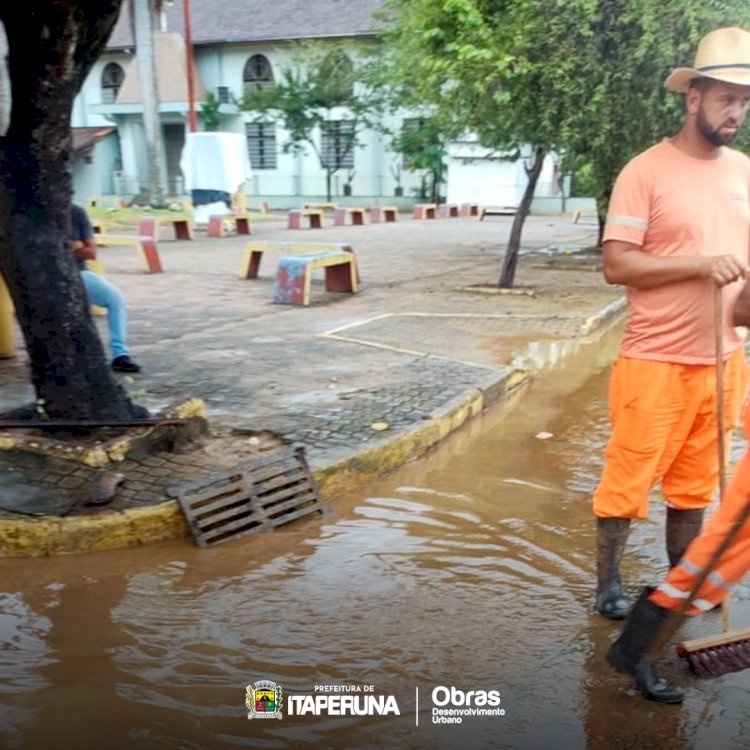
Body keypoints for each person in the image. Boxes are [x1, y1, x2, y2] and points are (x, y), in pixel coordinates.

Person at [593, 26, 750, 623]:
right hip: (654, 360)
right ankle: (607, 584)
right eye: (725, 97)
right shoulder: (646, 171)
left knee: (695, 487)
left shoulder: (744, 172)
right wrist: (699, 265)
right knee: (627, 481)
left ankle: (680, 585)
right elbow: (617, 264)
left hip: (723, 360)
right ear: (693, 97)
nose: (736, 111)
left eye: (744, 100)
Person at [70, 203, 142, 373]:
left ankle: (120, 354)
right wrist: (74, 246)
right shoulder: (32, 212)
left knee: (114, 297)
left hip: (78, 272)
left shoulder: (76, 212)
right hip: (44, 277)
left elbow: (92, 253)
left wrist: (65, 247)